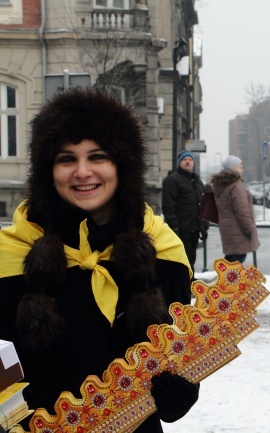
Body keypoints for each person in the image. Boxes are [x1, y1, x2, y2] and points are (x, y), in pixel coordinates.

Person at [0, 88, 199, 432]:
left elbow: (179, 358)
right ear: (48, 170)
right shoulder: (11, 256)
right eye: (66, 159)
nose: (82, 171)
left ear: (121, 165)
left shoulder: (164, 256)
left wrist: (182, 389)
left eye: (97, 156)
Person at [162, 149, 209, 274]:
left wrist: (204, 227)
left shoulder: (197, 181)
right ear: (179, 162)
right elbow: (168, 206)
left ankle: (190, 281)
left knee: (191, 257)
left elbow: (203, 205)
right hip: (181, 228)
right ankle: (186, 284)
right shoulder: (172, 180)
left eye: (190, 159)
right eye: (184, 160)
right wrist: (174, 226)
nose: (187, 162)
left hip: (194, 227)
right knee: (183, 259)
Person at [211, 155, 260, 264]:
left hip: (228, 229)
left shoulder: (222, 184)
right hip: (238, 230)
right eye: (240, 167)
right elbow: (242, 211)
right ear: (233, 168)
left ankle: (223, 279)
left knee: (231, 260)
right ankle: (225, 281)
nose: (242, 170)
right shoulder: (235, 186)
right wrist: (249, 230)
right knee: (236, 263)